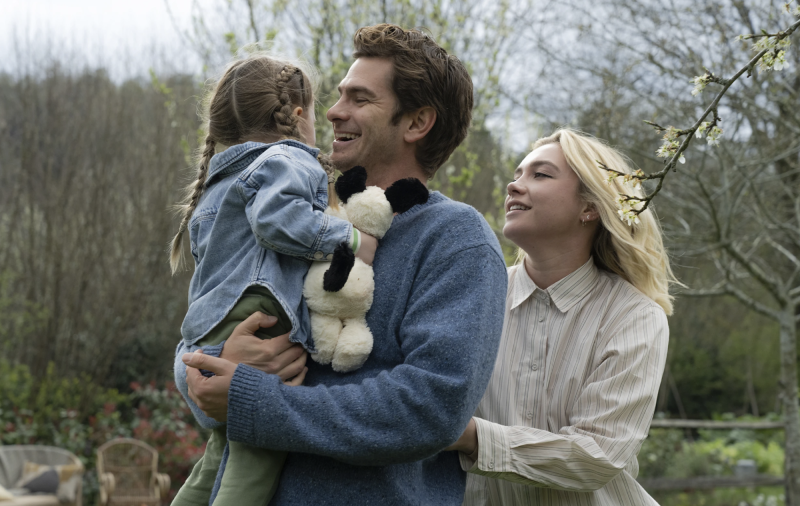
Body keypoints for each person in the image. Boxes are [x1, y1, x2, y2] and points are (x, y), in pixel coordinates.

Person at [177, 24, 508, 505]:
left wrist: (256, 400)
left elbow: (433, 406)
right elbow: (203, 328)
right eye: (337, 96)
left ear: (416, 123)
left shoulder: (457, 239)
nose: (333, 112)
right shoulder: (297, 221)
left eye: (359, 99)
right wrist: (211, 373)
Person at [168, 54, 379, 506]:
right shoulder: (288, 157)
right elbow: (278, 222)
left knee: (220, 452)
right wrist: (351, 237)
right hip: (258, 313)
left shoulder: (220, 178)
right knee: (257, 458)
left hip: (213, 326)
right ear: (297, 115)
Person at [446, 128, 675, 505]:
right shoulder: (475, 294)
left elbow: (596, 454)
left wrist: (471, 437)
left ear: (590, 207)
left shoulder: (635, 317)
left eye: (540, 174)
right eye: (517, 174)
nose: (514, 185)